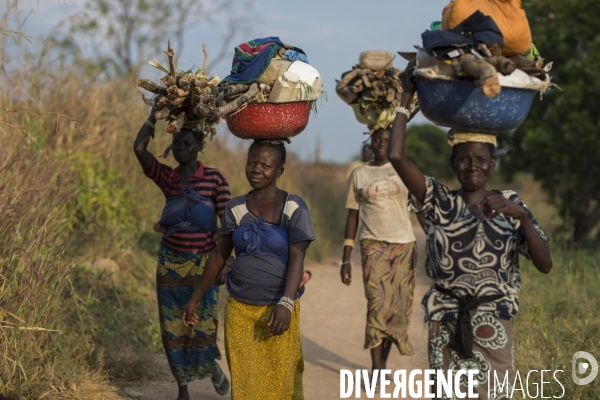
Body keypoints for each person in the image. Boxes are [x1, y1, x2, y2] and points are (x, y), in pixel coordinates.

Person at [387, 69, 552, 398]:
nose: (472, 166)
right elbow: (395, 156)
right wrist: (406, 97)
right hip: (445, 321)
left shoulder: (512, 205)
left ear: (492, 164)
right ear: (453, 163)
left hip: (495, 323)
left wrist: (519, 214)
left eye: (481, 160)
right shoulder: (438, 200)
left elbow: (545, 263)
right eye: (464, 159)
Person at [181, 140, 315, 400]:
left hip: (277, 310)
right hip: (240, 311)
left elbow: (297, 258)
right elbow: (220, 254)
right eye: (252, 162)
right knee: (245, 386)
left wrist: (286, 303)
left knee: (280, 384)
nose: (256, 169)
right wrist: (195, 297)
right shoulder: (235, 207)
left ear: (280, 170)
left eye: (266, 165)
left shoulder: (294, 207)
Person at [133, 103, 231, 400]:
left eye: (187, 143)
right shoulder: (168, 178)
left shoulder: (215, 179)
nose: (180, 148)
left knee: (202, 326)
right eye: (176, 143)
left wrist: (226, 263)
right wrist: (153, 116)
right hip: (170, 265)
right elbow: (139, 149)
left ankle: (210, 368)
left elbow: (227, 226)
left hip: (205, 265)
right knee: (173, 327)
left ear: (200, 145)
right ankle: (183, 389)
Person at [340, 128, 418, 385]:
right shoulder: (359, 174)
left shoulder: (405, 170)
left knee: (397, 310)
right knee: (377, 303)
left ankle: (382, 364)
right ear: (370, 143)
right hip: (374, 245)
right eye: (377, 140)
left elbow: (421, 207)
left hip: (404, 245)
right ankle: (376, 368)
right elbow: (352, 215)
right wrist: (346, 258)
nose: (382, 144)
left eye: (387, 140)